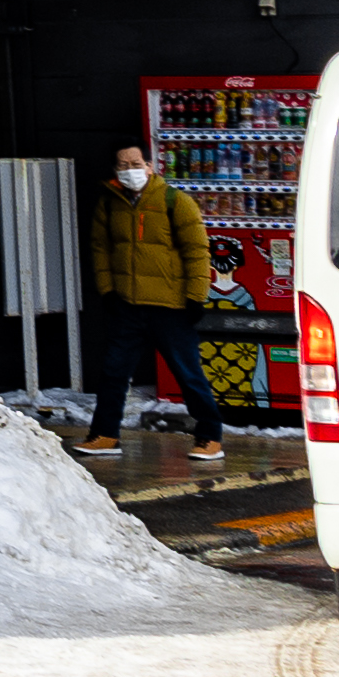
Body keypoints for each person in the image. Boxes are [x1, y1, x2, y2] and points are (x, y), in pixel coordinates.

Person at [82, 141, 229, 462]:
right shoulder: (109, 204)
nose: (129, 170)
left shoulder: (175, 201)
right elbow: (100, 250)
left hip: (171, 308)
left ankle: (210, 437)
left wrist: (195, 297)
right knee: (113, 374)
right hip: (127, 306)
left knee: (188, 374)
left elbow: (197, 251)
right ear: (115, 171)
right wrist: (107, 291)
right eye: (122, 165)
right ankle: (105, 435)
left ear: (149, 166)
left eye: (135, 163)